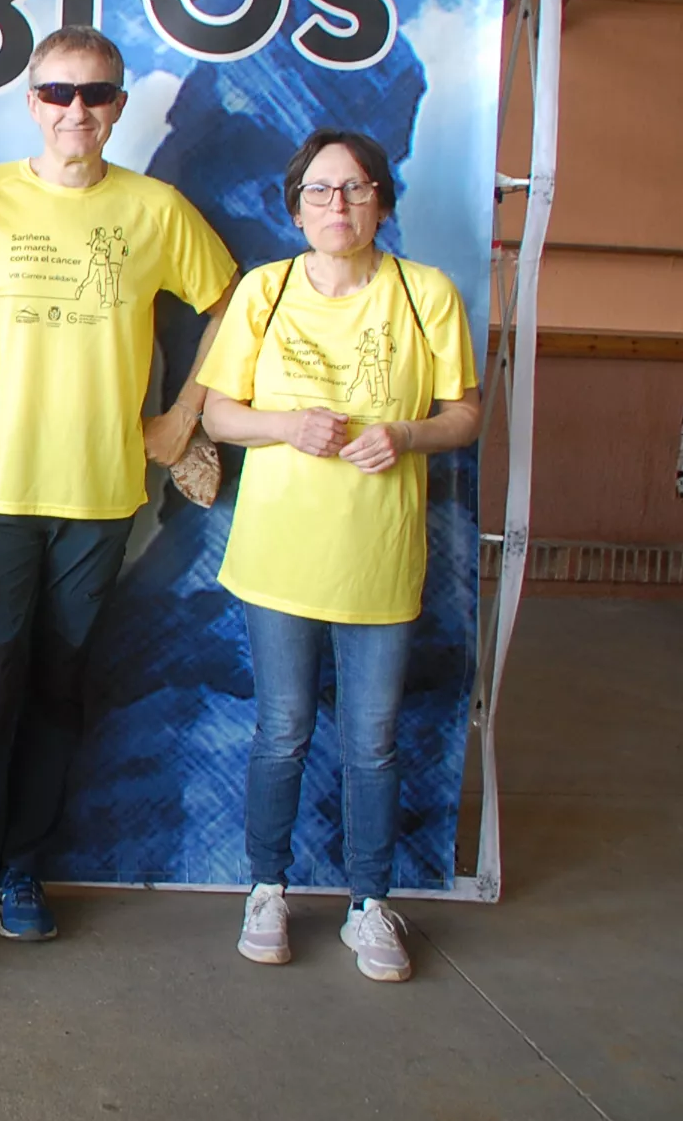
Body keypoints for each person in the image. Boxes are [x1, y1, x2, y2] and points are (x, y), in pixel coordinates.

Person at [0, 24, 239, 942]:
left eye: (94, 94)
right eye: (58, 92)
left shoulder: (155, 208)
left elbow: (234, 304)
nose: (75, 110)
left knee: (56, 688)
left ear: (119, 106)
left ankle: (22, 869)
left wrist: (183, 415)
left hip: (99, 494)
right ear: (31, 102)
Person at [200, 129, 479, 983]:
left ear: (382, 202)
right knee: (281, 730)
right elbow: (217, 415)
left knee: (373, 740)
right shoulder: (266, 289)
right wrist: (288, 426)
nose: (338, 205)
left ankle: (369, 902)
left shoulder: (426, 294)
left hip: (379, 555)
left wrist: (406, 434)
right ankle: (266, 889)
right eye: (319, 191)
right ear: (296, 210)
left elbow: (465, 414)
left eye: (356, 188)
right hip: (278, 555)